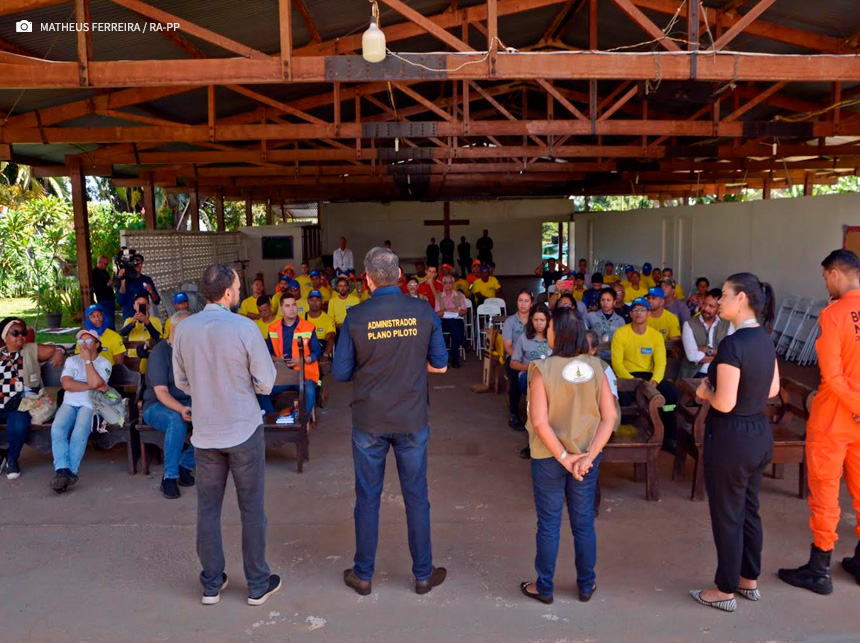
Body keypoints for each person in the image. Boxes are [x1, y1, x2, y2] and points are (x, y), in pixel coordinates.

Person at [333, 247, 449, 597]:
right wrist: (411, 366)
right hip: (412, 418)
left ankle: (364, 574)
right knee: (416, 496)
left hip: (369, 420)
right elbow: (441, 364)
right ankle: (423, 574)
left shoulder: (356, 316)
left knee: (367, 497)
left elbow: (340, 373)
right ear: (400, 276)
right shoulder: (423, 310)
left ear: (366, 280)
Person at [173, 264, 279, 607]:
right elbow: (266, 381)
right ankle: (258, 584)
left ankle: (211, 583)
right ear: (230, 293)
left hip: (205, 433)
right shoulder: (244, 327)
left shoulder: (185, 329)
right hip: (243, 429)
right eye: (237, 286)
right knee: (251, 509)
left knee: (208, 509)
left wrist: (208, 390)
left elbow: (181, 382)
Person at [690, 272, 778, 613]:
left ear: (742, 299)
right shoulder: (765, 339)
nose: (720, 299)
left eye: (725, 294)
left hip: (731, 438)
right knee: (749, 508)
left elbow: (723, 402)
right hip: (758, 433)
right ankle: (748, 579)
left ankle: (724, 588)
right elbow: (771, 390)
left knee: (727, 513)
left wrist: (703, 391)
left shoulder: (732, 345)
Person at [520, 306, 618, 605]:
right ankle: (586, 585)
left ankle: (545, 587)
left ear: (557, 334)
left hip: (550, 458)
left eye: (549, 327)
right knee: (584, 522)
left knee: (549, 523)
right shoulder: (598, 368)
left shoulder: (540, 369)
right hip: (586, 458)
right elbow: (609, 416)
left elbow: (539, 422)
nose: (546, 331)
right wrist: (587, 458)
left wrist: (564, 457)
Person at [779, 249, 860, 595]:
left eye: (826, 276)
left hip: (834, 417)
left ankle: (819, 569)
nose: (826, 282)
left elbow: (831, 375)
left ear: (837, 274)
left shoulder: (834, 314)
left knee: (826, 493)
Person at [0, 318, 65, 480]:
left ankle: (12, 458)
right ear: (4, 336)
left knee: (19, 421)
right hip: (2, 403)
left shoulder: (30, 349)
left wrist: (60, 352)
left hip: (24, 404)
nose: (20, 336)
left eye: (23, 332)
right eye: (15, 333)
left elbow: (55, 348)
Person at [611, 297, 679, 450]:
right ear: (630, 313)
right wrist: (634, 382)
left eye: (642, 309)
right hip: (627, 377)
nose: (638, 313)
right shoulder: (620, 334)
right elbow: (617, 364)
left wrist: (654, 381)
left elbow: (661, 362)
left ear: (649, 313)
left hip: (650, 377)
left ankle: (669, 437)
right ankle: (624, 439)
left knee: (671, 393)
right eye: (635, 309)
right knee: (622, 399)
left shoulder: (656, 336)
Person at [50, 329, 112, 494]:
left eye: (88, 341)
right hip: (69, 403)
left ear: (97, 344)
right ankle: (62, 470)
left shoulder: (105, 364)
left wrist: (87, 362)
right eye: (80, 342)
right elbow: (67, 385)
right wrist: (92, 386)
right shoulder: (71, 361)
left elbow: (96, 383)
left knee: (79, 432)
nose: (83, 345)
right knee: (57, 429)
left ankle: (70, 472)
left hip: (91, 405)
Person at [142, 311, 196, 499]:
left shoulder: (191, 351)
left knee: (213, 417)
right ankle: (169, 477)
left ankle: (185, 465)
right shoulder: (160, 352)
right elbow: (161, 392)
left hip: (187, 401)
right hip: (156, 405)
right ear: (174, 329)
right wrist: (181, 409)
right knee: (176, 420)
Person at [260, 293, 320, 418]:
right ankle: (275, 419)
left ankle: (295, 420)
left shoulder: (308, 327)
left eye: (294, 305)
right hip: (282, 375)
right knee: (261, 393)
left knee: (310, 393)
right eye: (287, 306)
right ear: (281, 309)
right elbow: (266, 353)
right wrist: (278, 359)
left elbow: (316, 353)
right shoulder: (273, 328)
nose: (292, 308)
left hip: (304, 374)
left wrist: (301, 360)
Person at [680, 289, 733, 379]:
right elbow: (692, 356)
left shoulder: (728, 325)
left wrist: (706, 350)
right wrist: (717, 355)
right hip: (695, 374)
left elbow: (730, 353)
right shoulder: (689, 324)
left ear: (719, 308)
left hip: (719, 374)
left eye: (711, 306)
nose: (705, 308)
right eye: (704, 304)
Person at [503, 290, 534, 430]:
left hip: (532, 357)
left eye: (526, 301)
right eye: (520, 300)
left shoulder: (536, 321)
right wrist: (518, 358)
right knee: (514, 377)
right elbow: (507, 345)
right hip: (514, 357)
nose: (523, 304)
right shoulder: (510, 322)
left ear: (531, 303)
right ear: (517, 302)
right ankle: (514, 414)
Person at [119, 293, 162, 372]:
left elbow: (157, 336)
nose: (140, 306)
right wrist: (132, 323)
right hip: (132, 356)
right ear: (134, 306)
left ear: (148, 306)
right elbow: (122, 333)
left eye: (143, 304)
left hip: (150, 356)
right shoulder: (129, 320)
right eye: (138, 304)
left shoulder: (155, 320)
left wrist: (147, 322)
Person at [435, 274, 468, 368]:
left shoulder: (459, 295)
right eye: (445, 283)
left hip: (457, 320)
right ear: (442, 284)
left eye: (450, 283)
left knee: (455, 328)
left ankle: (454, 358)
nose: (448, 285)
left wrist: (457, 311)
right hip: (444, 322)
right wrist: (447, 310)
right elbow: (437, 313)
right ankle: (461, 344)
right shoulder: (439, 296)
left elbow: (465, 311)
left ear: (453, 284)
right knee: (455, 326)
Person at [116, 253, 161, 321]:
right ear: (131, 264)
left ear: (142, 264)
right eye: (135, 262)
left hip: (144, 318)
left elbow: (157, 301)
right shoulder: (124, 279)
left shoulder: (147, 279)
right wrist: (123, 282)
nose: (137, 264)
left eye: (139, 262)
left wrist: (151, 292)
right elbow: (120, 301)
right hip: (129, 318)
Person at [585, 289, 626, 359]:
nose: (605, 303)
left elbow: (623, 342)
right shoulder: (591, 316)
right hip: (594, 356)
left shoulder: (620, 320)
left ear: (614, 302)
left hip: (613, 357)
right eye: (602, 300)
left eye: (608, 300)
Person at [305, 291, 336, 360]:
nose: (314, 303)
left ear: (322, 301)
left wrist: (325, 355)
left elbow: (331, 338)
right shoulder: (302, 318)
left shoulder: (328, 319)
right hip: (306, 351)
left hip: (322, 351)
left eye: (317, 300)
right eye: (311, 300)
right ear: (308, 301)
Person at [92, 255, 117, 330]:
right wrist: (107, 284)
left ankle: (113, 333)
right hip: (103, 298)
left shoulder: (105, 272)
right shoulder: (94, 273)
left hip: (110, 297)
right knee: (107, 318)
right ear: (100, 262)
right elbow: (97, 286)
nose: (106, 266)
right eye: (105, 264)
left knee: (111, 317)